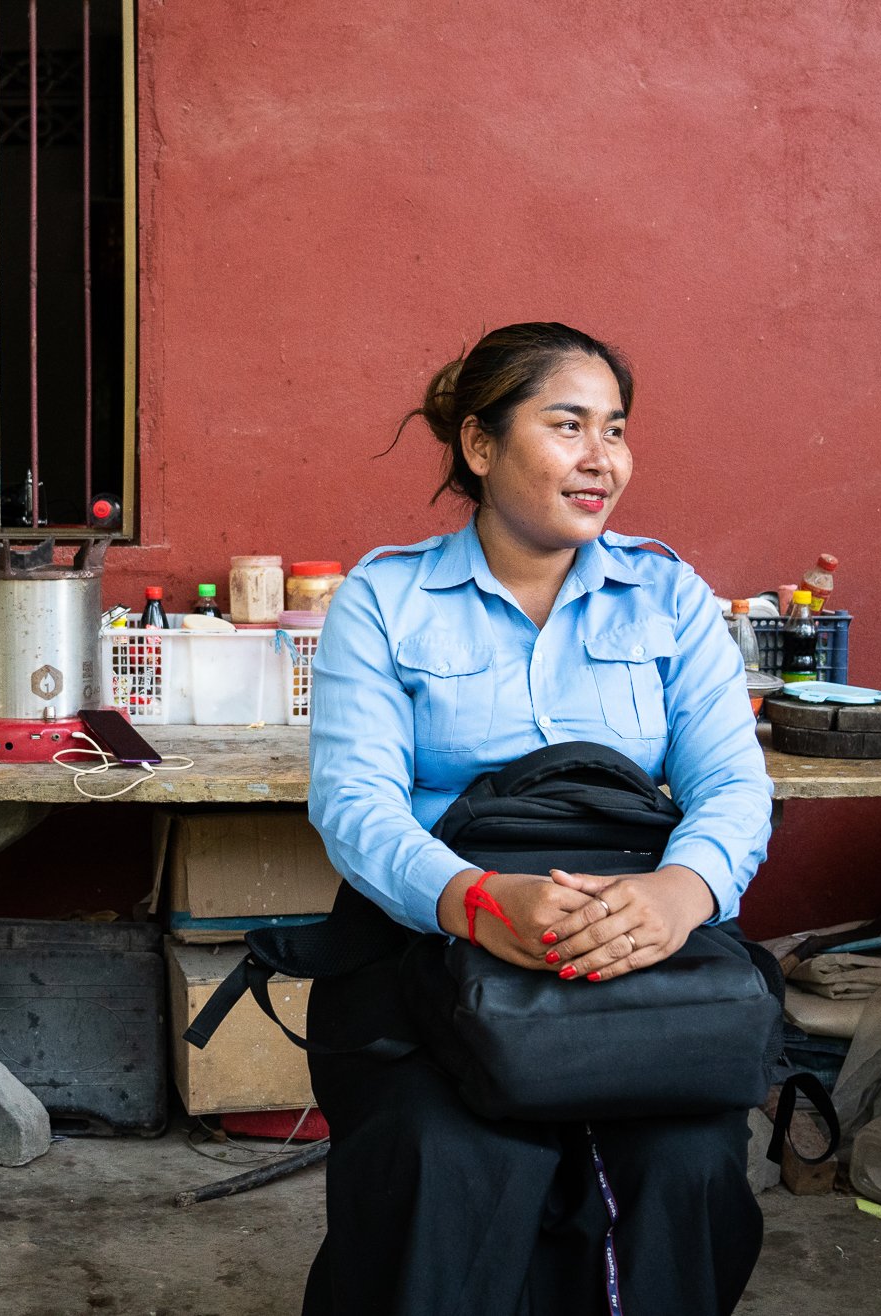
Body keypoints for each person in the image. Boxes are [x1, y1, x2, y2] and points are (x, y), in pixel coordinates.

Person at [304, 321, 775, 1315]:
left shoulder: (667, 596)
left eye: (615, 428)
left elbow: (732, 783)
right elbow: (353, 803)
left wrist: (676, 893)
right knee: (444, 1155)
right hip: (432, 941)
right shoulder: (384, 598)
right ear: (479, 445)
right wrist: (475, 899)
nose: (601, 457)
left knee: (683, 1163)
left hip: (632, 939)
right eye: (567, 425)